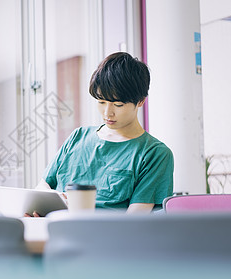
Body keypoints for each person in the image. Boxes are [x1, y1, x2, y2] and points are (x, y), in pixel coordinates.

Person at [32, 52, 174, 215]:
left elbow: (135, 220)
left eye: (118, 105)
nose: (108, 113)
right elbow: (43, 186)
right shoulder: (78, 137)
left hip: (105, 237)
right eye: (101, 102)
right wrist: (46, 202)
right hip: (53, 228)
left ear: (141, 101)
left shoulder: (154, 154)